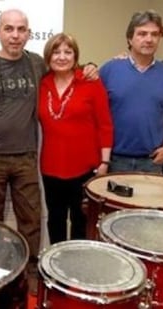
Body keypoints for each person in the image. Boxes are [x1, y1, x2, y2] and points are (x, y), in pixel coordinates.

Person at [0, 9, 97, 294]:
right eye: (9, 29)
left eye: (21, 29)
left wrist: (90, 67)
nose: (15, 35)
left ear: (28, 33)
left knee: (31, 220)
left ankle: (31, 274)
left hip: (25, 157)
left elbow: (66, 70)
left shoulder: (36, 63)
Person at [38, 33, 113, 244]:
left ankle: (77, 271)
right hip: (51, 167)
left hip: (85, 168)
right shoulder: (42, 84)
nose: (62, 57)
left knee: (81, 221)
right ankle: (56, 269)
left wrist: (105, 162)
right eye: (56, 52)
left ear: (75, 56)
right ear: (48, 57)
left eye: (67, 52)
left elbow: (105, 125)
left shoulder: (91, 82)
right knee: (55, 220)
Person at [100, 10, 163, 173]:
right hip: (115, 160)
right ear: (130, 38)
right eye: (142, 34)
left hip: (153, 161)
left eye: (154, 34)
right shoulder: (109, 70)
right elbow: (98, 115)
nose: (149, 39)